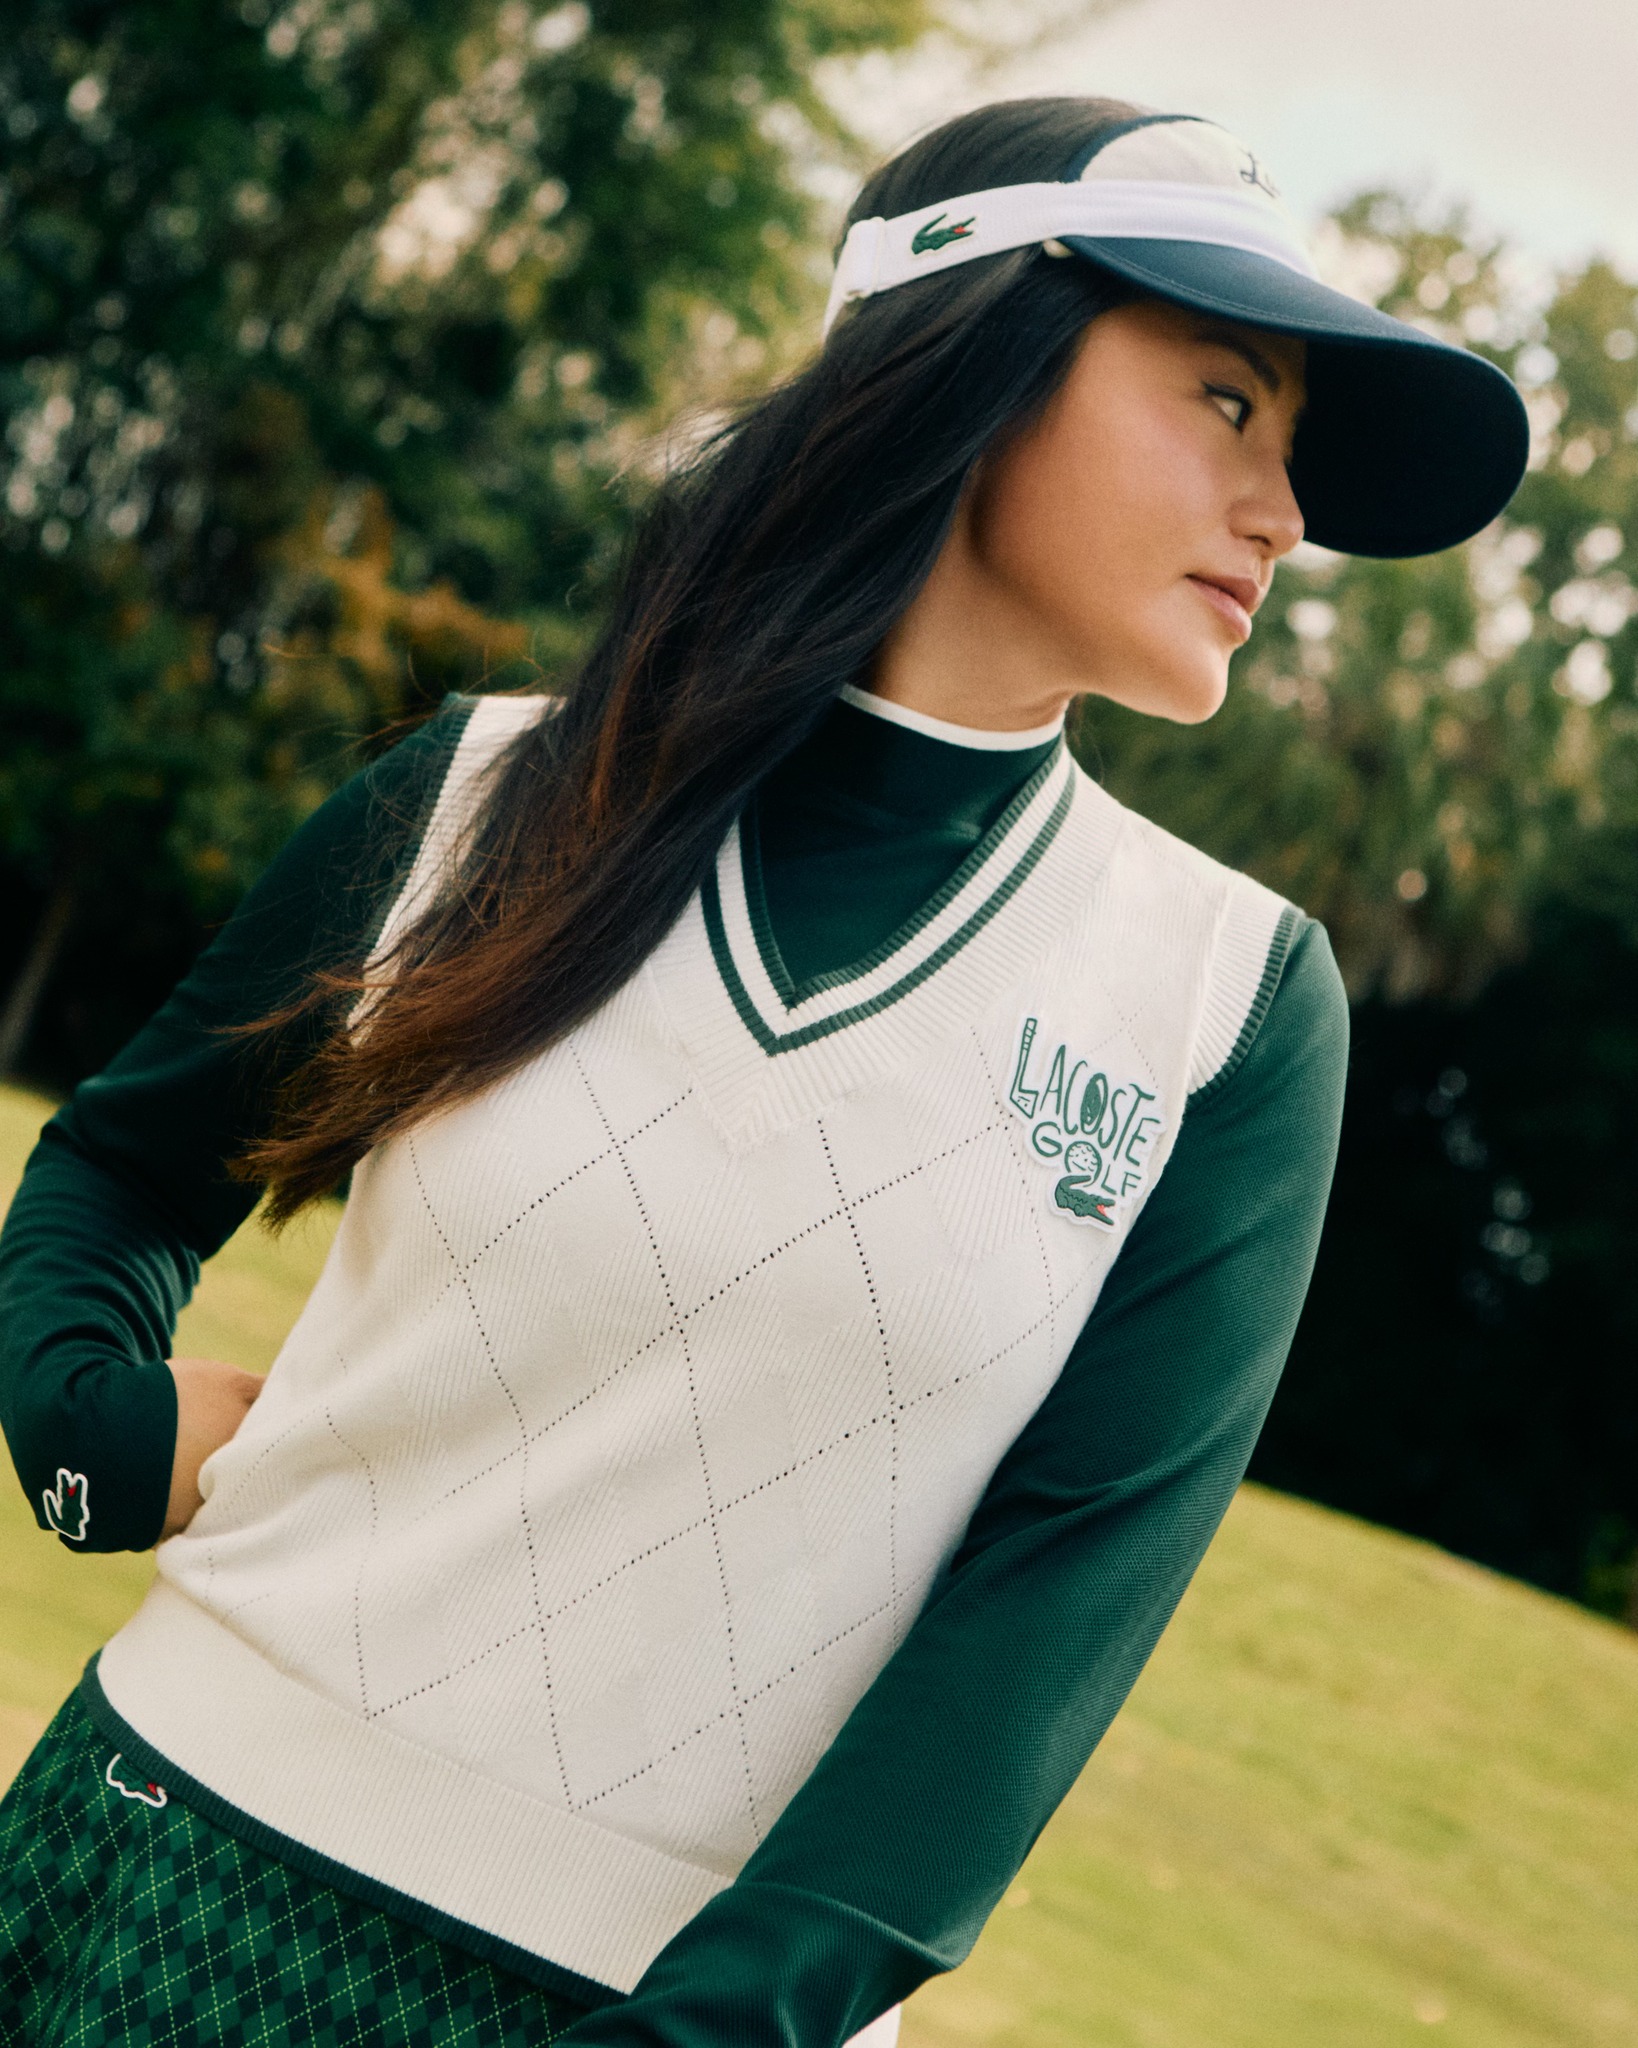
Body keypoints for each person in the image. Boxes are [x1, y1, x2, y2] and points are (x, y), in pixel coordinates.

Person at [0, 95, 1526, 2048]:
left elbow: (1044, 1626)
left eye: (1290, 443)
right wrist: (87, 1428)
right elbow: (120, 1175)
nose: (1283, 513)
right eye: (1228, 402)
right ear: (971, 354)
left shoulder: (1231, 1009)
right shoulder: (480, 796)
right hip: (152, 1881)